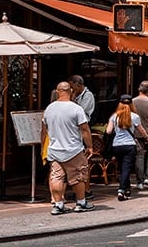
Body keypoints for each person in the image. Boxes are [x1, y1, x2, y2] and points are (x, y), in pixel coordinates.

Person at [41, 82, 95, 214]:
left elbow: (43, 131)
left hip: (54, 149)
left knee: (56, 177)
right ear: (70, 91)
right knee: (78, 176)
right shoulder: (76, 109)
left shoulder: (49, 109)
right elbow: (84, 129)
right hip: (73, 149)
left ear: (58, 91)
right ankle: (81, 202)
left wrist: (43, 147)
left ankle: (58, 204)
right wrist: (89, 146)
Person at [107, 94, 148, 201]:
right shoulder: (134, 116)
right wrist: (146, 137)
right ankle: (121, 190)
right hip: (129, 145)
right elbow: (142, 130)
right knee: (127, 168)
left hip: (117, 145)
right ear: (131, 104)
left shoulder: (114, 116)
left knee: (122, 168)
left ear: (120, 104)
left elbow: (108, 131)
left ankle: (127, 188)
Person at [68, 75, 95, 200]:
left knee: (83, 163)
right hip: (73, 132)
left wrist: (72, 100)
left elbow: (81, 114)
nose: (71, 90)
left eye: (72, 87)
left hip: (81, 131)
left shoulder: (87, 96)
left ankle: (86, 190)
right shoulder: (77, 96)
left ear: (78, 85)